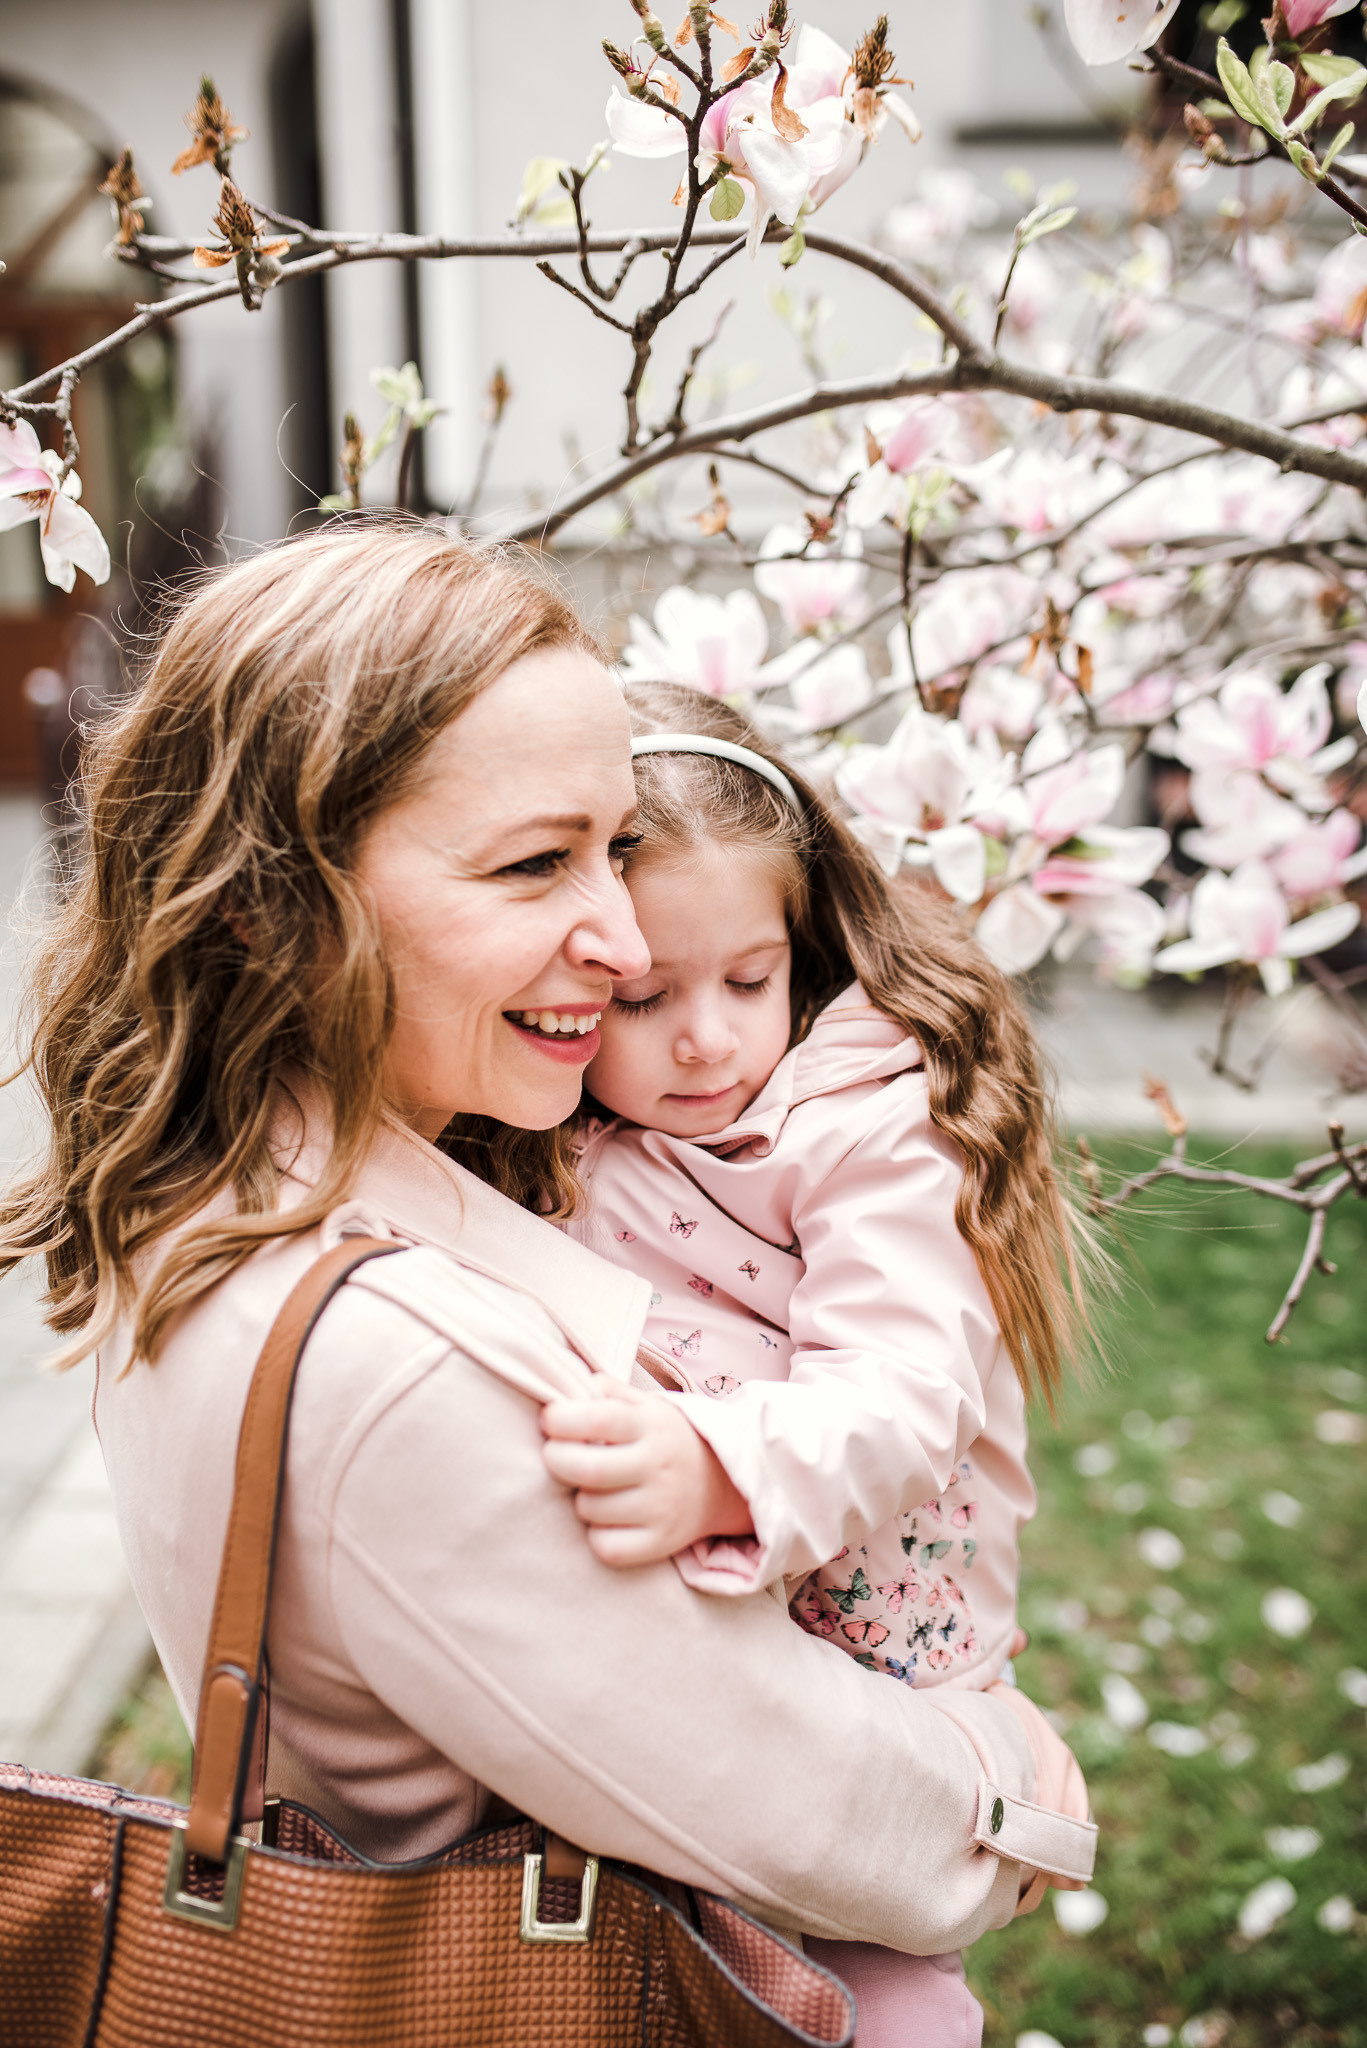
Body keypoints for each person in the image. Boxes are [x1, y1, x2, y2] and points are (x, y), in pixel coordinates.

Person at [0, 522, 1094, 1985]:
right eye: (534, 864)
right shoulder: (391, 1366)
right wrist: (1012, 1784)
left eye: (610, 846)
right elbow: (824, 1815)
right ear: (272, 912)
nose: (620, 936)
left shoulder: (257, 1181)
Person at [541, 680, 1097, 2043]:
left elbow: (906, 1391)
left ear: (806, 950)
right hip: (707, 1690)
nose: (708, 1037)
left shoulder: (861, 1130)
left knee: (885, 2007)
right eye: (646, 994)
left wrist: (718, 1465)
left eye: (748, 979)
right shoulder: (566, 1134)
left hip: (885, 1690)